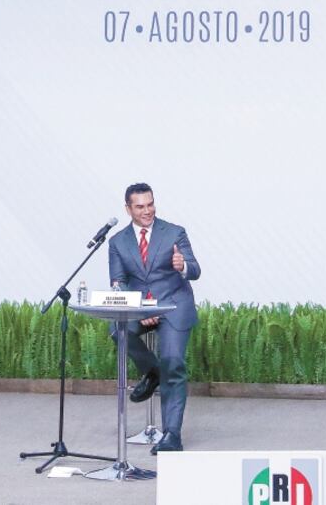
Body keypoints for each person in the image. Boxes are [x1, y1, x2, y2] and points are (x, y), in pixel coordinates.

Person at [108, 182, 201, 454]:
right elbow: (119, 283)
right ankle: (155, 372)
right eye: (140, 207)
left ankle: (172, 435)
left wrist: (183, 266)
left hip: (173, 305)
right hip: (141, 307)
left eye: (150, 204)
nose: (147, 211)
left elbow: (195, 269)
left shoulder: (174, 232)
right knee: (118, 330)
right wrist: (141, 309)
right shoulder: (117, 242)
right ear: (128, 209)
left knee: (173, 361)